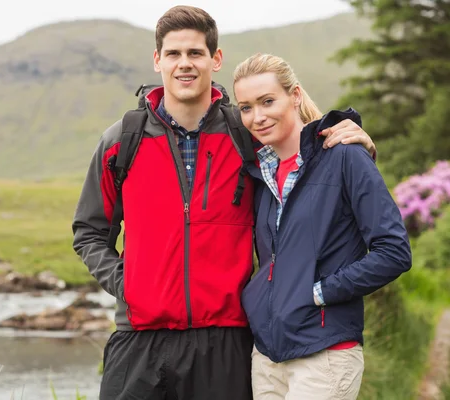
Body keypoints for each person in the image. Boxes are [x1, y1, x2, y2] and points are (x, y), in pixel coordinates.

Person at [73, 6, 376, 400]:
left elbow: (313, 161)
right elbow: (89, 232)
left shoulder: (247, 134)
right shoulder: (121, 142)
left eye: (196, 53)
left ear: (215, 59)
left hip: (226, 342)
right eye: (174, 54)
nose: (185, 64)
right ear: (157, 60)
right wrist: (129, 286)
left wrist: (358, 141)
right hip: (139, 341)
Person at [233, 53, 412, 400]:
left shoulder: (345, 155)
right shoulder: (260, 174)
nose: (258, 116)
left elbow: (394, 252)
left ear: (295, 95)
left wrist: (319, 292)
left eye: (268, 101)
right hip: (268, 357)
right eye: (246, 107)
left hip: (325, 354)